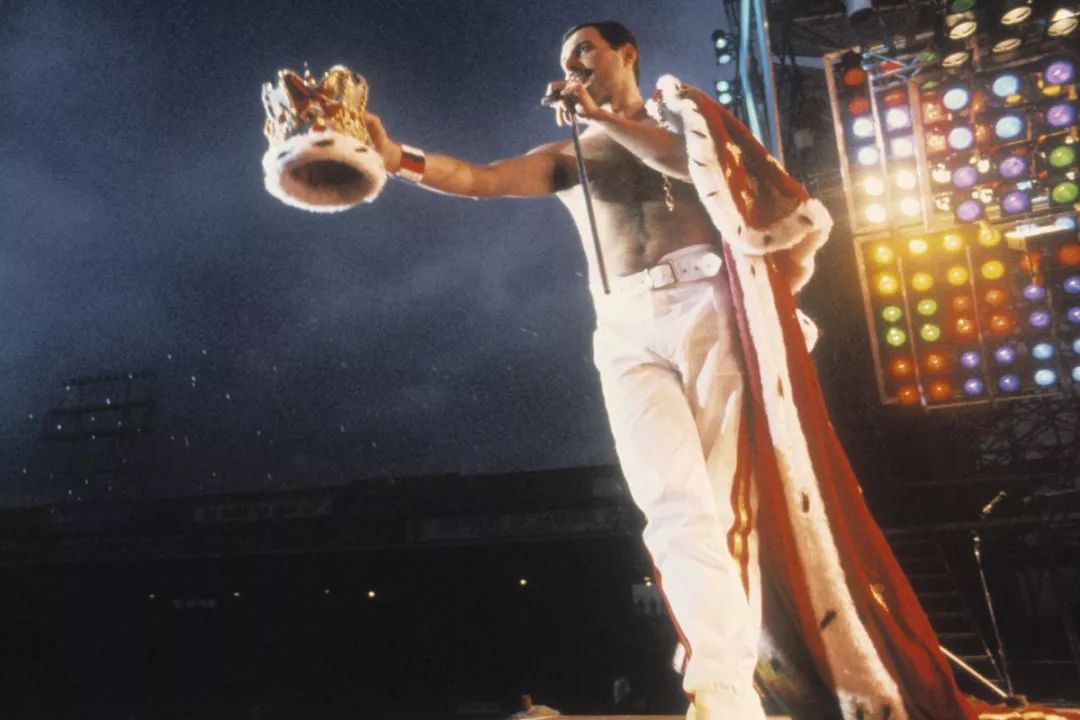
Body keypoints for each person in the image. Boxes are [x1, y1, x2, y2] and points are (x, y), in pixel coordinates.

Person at [362, 20, 978, 720]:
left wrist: (602, 118)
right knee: (671, 507)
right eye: (565, 59)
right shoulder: (568, 152)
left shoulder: (686, 125)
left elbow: (693, 170)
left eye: (585, 49)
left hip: (703, 302)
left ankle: (744, 680)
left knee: (724, 499)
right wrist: (395, 155)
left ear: (626, 54)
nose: (574, 64)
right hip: (622, 324)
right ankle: (721, 693)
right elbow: (479, 179)